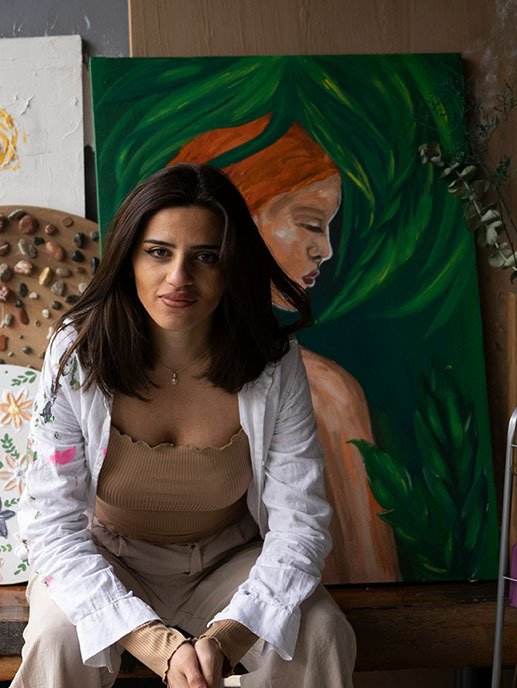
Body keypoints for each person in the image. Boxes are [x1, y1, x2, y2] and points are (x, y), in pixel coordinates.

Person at [12, 163, 356, 687]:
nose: (179, 278)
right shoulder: (77, 354)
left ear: (231, 267)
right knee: (55, 637)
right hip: (110, 558)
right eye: (158, 252)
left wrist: (229, 637)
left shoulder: (273, 363)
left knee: (323, 632)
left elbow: (301, 524)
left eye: (206, 257)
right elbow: (50, 524)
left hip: (229, 561)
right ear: (129, 257)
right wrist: (153, 642)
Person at [170, 115, 401, 583]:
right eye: (311, 224)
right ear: (238, 224)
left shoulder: (323, 391)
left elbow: (369, 576)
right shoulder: (114, 365)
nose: (327, 250)